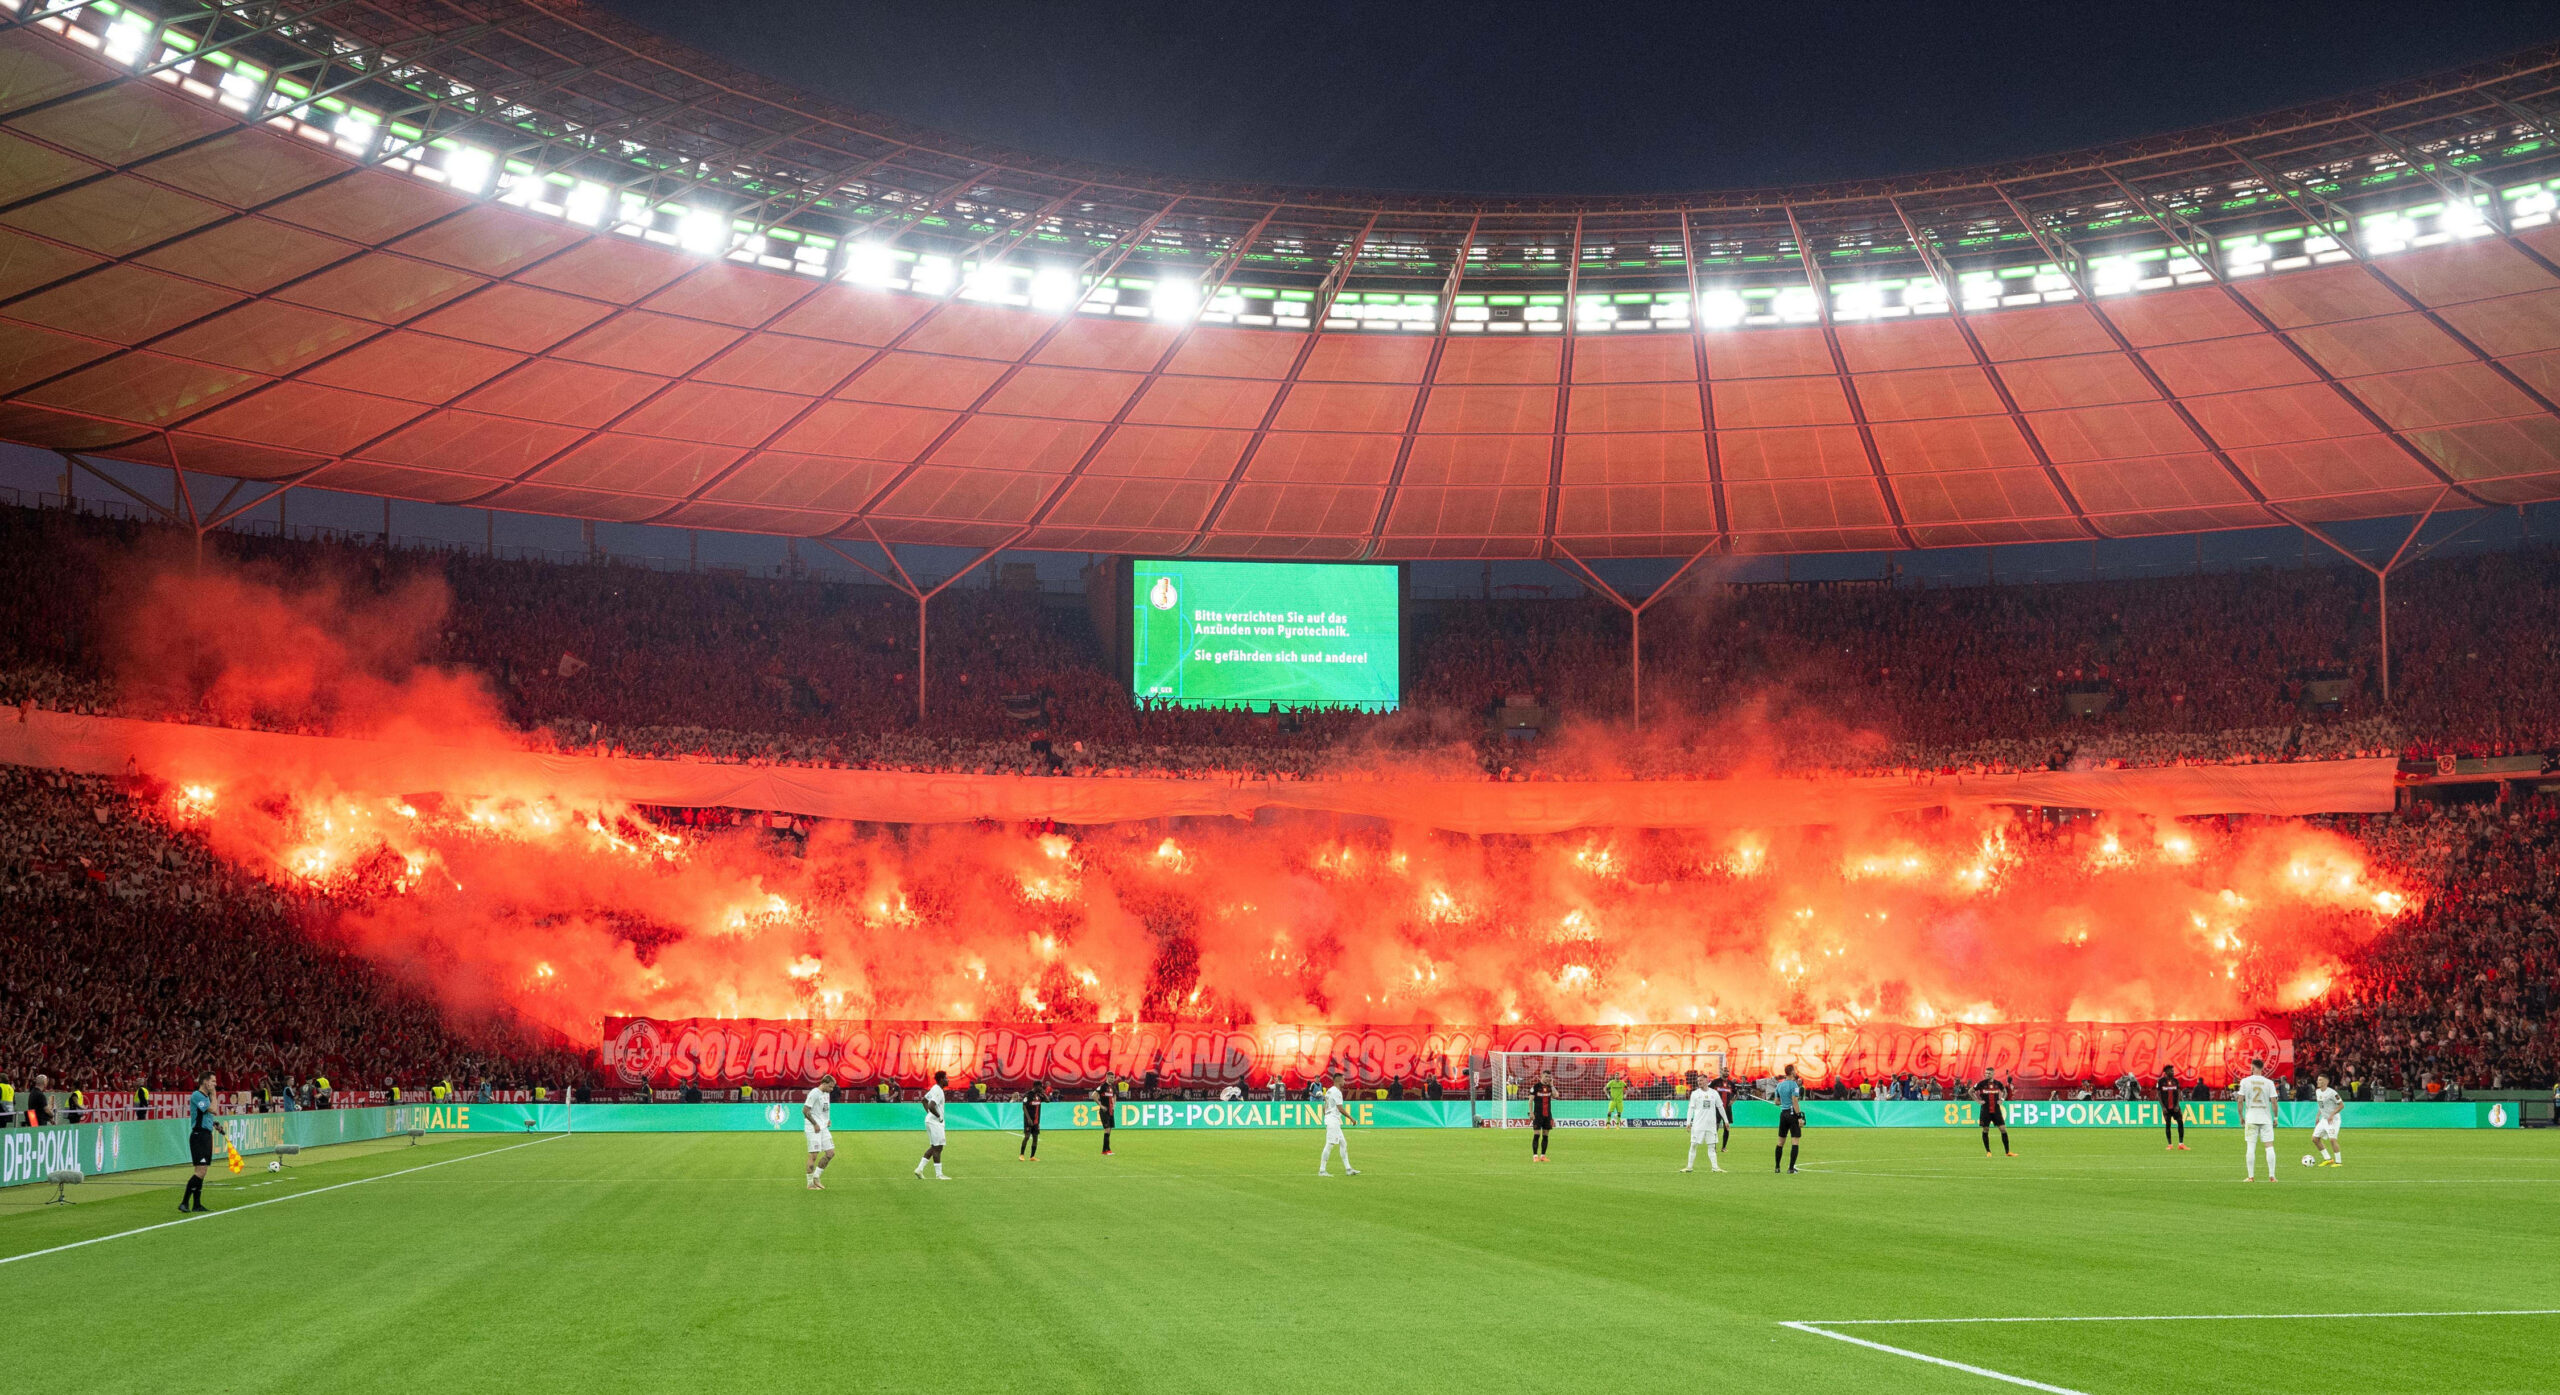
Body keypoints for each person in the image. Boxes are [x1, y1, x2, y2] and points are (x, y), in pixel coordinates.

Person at [181, 1074, 227, 1212]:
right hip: (199, 1136)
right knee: (201, 1170)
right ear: (205, 1082)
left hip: (205, 1135)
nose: (215, 1084)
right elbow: (213, 1109)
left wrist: (214, 1124)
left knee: (202, 1170)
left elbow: (205, 1115)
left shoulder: (204, 1098)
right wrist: (214, 1095)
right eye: (213, 1081)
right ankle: (184, 1202)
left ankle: (196, 1204)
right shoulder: (197, 1095)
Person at [2236, 1057, 2281, 1182]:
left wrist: (2241, 1116)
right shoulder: (2269, 1083)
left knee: (2251, 1147)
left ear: (2252, 1067)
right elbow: (2274, 1102)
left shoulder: (2245, 1081)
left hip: (2251, 1118)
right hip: (2266, 1118)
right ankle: (2272, 1176)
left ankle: (2251, 1177)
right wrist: (2275, 1117)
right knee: (2269, 1146)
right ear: (2262, 1068)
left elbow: (2240, 1100)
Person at [1682, 1073, 1727, 1174]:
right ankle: (1689, 1167)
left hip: (1711, 1125)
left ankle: (1715, 1167)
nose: (1699, 1083)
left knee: (1712, 1146)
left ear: (1707, 1081)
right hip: (1698, 1125)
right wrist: (1688, 1122)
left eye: (1701, 1081)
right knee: (1693, 1145)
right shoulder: (1695, 1094)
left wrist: (1726, 1121)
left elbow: (1720, 1107)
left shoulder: (1714, 1093)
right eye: (1698, 1081)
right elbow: (1691, 1108)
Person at [1316, 1070, 1357, 1176]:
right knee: (1329, 1144)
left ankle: (1348, 1169)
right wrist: (1351, 1118)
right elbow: (1340, 1108)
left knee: (1343, 1143)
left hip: (1332, 1119)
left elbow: (1325, 1105)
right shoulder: (1337, 1092)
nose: (1345, 1081)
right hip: (1333, 1120)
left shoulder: (1330, 1091)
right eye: (1343, 1079)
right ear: (1339, 1080)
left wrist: (1327, 1115)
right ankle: (1322, 1170)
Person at [912, 1069, 949, 1181]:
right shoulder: (938, 1091)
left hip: (930, 1121)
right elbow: (932, 1105)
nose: (948, 1080)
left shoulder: (934, 1088)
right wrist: (938, 1116)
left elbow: (924, 1100)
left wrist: (929, 1114)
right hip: (935, 1122)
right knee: (938, 1147)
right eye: (946, 1078)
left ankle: (919, 1169)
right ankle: (939, 1175)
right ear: (942, 1079)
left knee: (935, 1146)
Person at [802, 1077, 834, 1190]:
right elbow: (805, 1111)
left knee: (830, 1153)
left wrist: (827, 1120)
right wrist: (815, 1124)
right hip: (813, 1127)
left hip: (823, 1127)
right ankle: (810, 1184)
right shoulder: (814, 1093)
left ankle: (816, 1177)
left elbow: (824, 1110)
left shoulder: (826, 1094)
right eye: (830, 1086)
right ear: (824, 1083)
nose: (831, 1089)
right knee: (814, 1155)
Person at [1974, 1069, 2015, 1158]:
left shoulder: (1998, 1083)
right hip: (1985, 1110)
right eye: (1986, 1073)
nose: (1987, 1074)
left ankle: (2007, 1152)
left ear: (1993, 1074)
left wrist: (2002, 1099)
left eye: (1989, 1073)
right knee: (1985, 1130)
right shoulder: (1981, 1083)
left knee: (2003, 1129)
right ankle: (1988, 1151)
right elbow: (1970, 1091)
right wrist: (1977, 1100)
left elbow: (2005, 1091)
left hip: (1996, 1110)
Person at [1772, 1064, 1805, 1174]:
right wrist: (1799, 1116)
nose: (1796, 1072)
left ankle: (1777, 1167)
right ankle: (1791, 1168)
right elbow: (1794, 1101)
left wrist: (1784, 1102)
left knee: (1780, 1142)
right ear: (1791, 1072)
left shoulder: (1779, 1085)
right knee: (1795, 1141)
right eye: (1794, 1070)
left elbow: (1776, 1102)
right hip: (1792, 1114)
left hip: (1783, 1114)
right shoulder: (1794, 1085)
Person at [2310, 1073, 2345, 1168]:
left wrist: (2332, 1115)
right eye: (2318, 1079)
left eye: (2320, 1080)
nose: (2318, 1081)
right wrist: (2318, 1116)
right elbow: (2321, 1106)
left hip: (2333, 1120)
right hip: (2324, 1119)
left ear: (2326, 1082)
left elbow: (2342, 1105)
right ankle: (2328, 1159)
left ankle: (2338, 1162)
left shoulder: (2332, 1093)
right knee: (2315, 1139)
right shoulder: (2318, 1091)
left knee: (2332, 1140)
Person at [2157, 1063, 2188, 1150]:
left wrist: (2177, 1105)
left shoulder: (2175, 1081)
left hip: (2175, 1107)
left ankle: (2181, 1144)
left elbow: (2178, 1093)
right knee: (2168, 1125)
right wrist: (2163, 1107)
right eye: (2171, 1070)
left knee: (2180, 1123)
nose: (2173, 1072)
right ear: (2166, 1071)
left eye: (2173, 1070)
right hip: (2166, 1108)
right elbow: (2159, 1095)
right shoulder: (2161, 1082)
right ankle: (2170, 1144)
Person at [1529, 1070, 1556, 1161]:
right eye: (1546, 1076)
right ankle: (1535, 1156)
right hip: (1537, 1115)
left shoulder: (1549, 1087)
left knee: (1545, 1135)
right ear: (1542, 1076)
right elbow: (1530, 1100)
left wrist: (1552, 1085)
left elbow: (1556, 1095)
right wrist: (1531, 1113)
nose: (1547, 1078)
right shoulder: (1536, 1087)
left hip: (1547, 1115)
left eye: (1549, 1077)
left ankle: (1543, 1156)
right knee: (1537, 1134)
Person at [1019, 1082, 1043, 1161]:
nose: (1041, 1088)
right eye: (1040, 1086)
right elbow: (1024, 1107)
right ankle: (1021, 1155)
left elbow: (1048, 1100)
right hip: (1029, 1120)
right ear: (1036, 1086)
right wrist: (1028, 1119)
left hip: (1036, 1121)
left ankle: (1032, 1156)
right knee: (1027, 1137)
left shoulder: (1039, 1095)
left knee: (1035, 1138)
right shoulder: (1028, 1095)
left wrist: (1043, 1093)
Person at [1096, 1076, 1118, 1158]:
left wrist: (1114, 1105)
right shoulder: (1102, 1086)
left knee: (1109, 1130)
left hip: (1111, 1111)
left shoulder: (1113, 1087)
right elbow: (1094, 1095)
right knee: (1107, 1129)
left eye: (1113, 1078)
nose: (1112, 1079)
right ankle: (1106, 1150)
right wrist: (1101, 1106)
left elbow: (1114, 1096)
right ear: (1107, 1078)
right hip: (1104, 1111)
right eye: (1111, 1077)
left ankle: (1105, 1150)